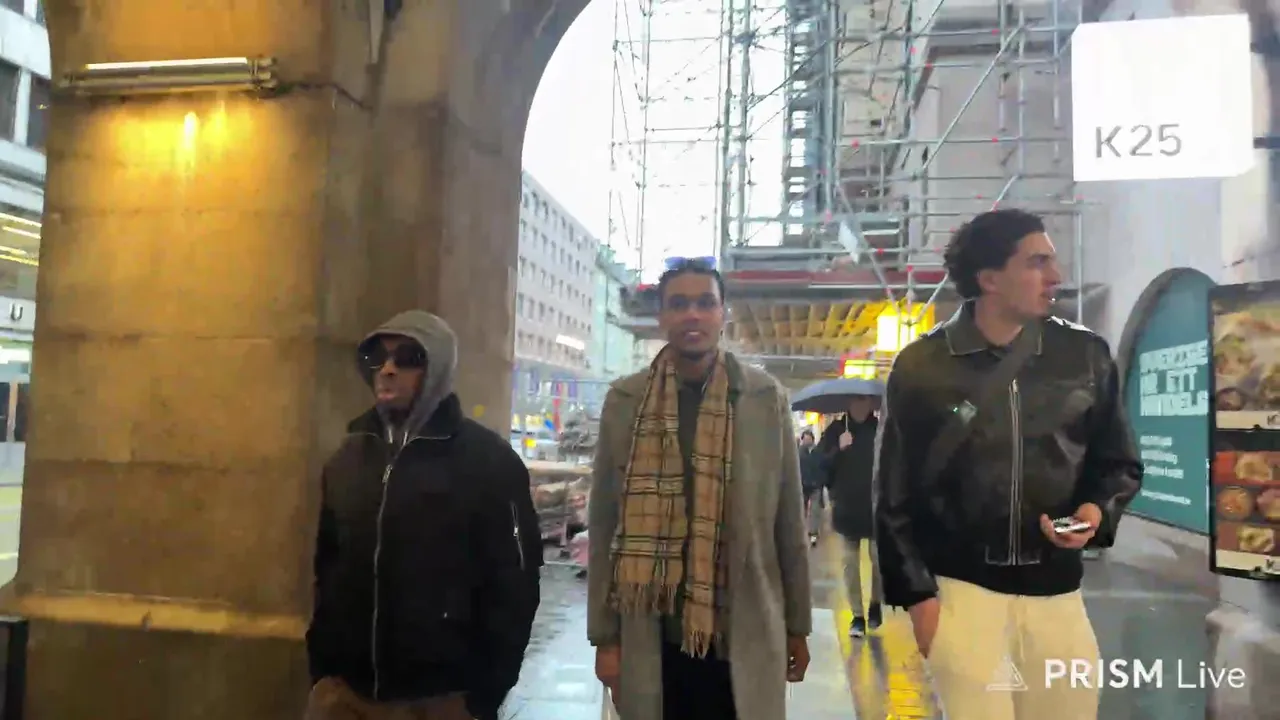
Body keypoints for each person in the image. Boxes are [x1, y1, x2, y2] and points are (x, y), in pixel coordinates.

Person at [874, 209, 1143, 720]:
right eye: (1037, 262)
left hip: (1060, 597)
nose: (1055, 276)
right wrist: (920, 600)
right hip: (963, 596)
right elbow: (893, 495)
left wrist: (1094, 512)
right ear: (990, 278)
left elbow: (1119, 462)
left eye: (1052, 261)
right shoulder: (923, 366)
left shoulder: (1084, 355)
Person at [587, 259, 812, 720]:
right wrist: (605, 638)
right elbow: (604, 524)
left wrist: (797, 626)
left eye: (705, 303)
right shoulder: (626, 402)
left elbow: (788, 520)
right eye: (679, 304)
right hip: (653, 632)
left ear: (723, 313)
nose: (693, 314)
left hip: (744, 628)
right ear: (662, 317)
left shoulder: (764, 399)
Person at [305, 310, 544, 720]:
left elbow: (516, 584)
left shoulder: (489, 462)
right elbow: (327, 567)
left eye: (407, 358)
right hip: (345, 695)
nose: (388, 370)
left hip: (440, 699)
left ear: (436, 368)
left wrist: (483, 696)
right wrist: (322, 669)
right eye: (378, 358)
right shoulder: (348, 457)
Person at [819, 397, 883, 638]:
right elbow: (819, 467)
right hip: (847, 508)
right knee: (850, 562)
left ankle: (876, 603)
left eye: (865, 401)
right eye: (857, 401)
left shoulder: (880, 429)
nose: (861, 406)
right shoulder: (836, 430)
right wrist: (838, 448)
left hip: (875, 507)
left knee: (879, 560)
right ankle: (857, 615)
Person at [798, 429, 827, 546]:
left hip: (815, 485)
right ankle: (800, 532)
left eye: (809, 439)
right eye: (805, 439)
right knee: (801, 510)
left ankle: (813, 533)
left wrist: (821, 480)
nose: (807, 441)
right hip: (803, 485)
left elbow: (823, 466)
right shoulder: (798, 453)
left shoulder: (818, 452)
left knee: (814, 510)